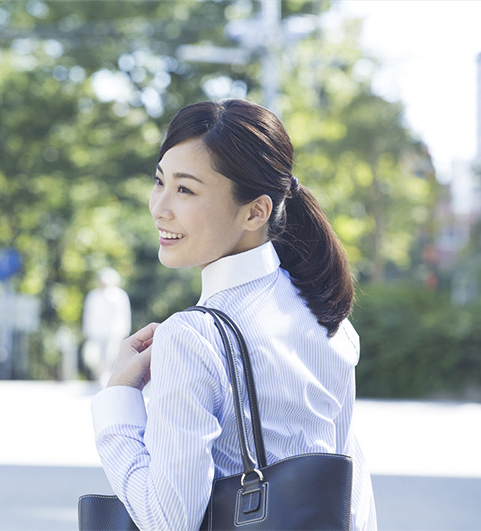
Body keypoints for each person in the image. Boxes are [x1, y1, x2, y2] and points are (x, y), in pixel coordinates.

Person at [91, 99, 377, 530]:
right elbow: (352, 501)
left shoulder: (192, 336)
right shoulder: (325, 317)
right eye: (160, 182)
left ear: (255, 211)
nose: (159, 207)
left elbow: (166, 519)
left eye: (185, 189)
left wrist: (117, 402)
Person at [82, 267, 132, 384]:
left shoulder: (119, 295)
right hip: (96, 332)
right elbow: (88, 314)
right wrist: (86, 330)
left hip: (113, 332)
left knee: (110, 356)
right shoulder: (93, 296)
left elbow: (123, 314)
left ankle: (106, 378)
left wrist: (123, 330)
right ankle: (100, 376)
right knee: (95, 357)